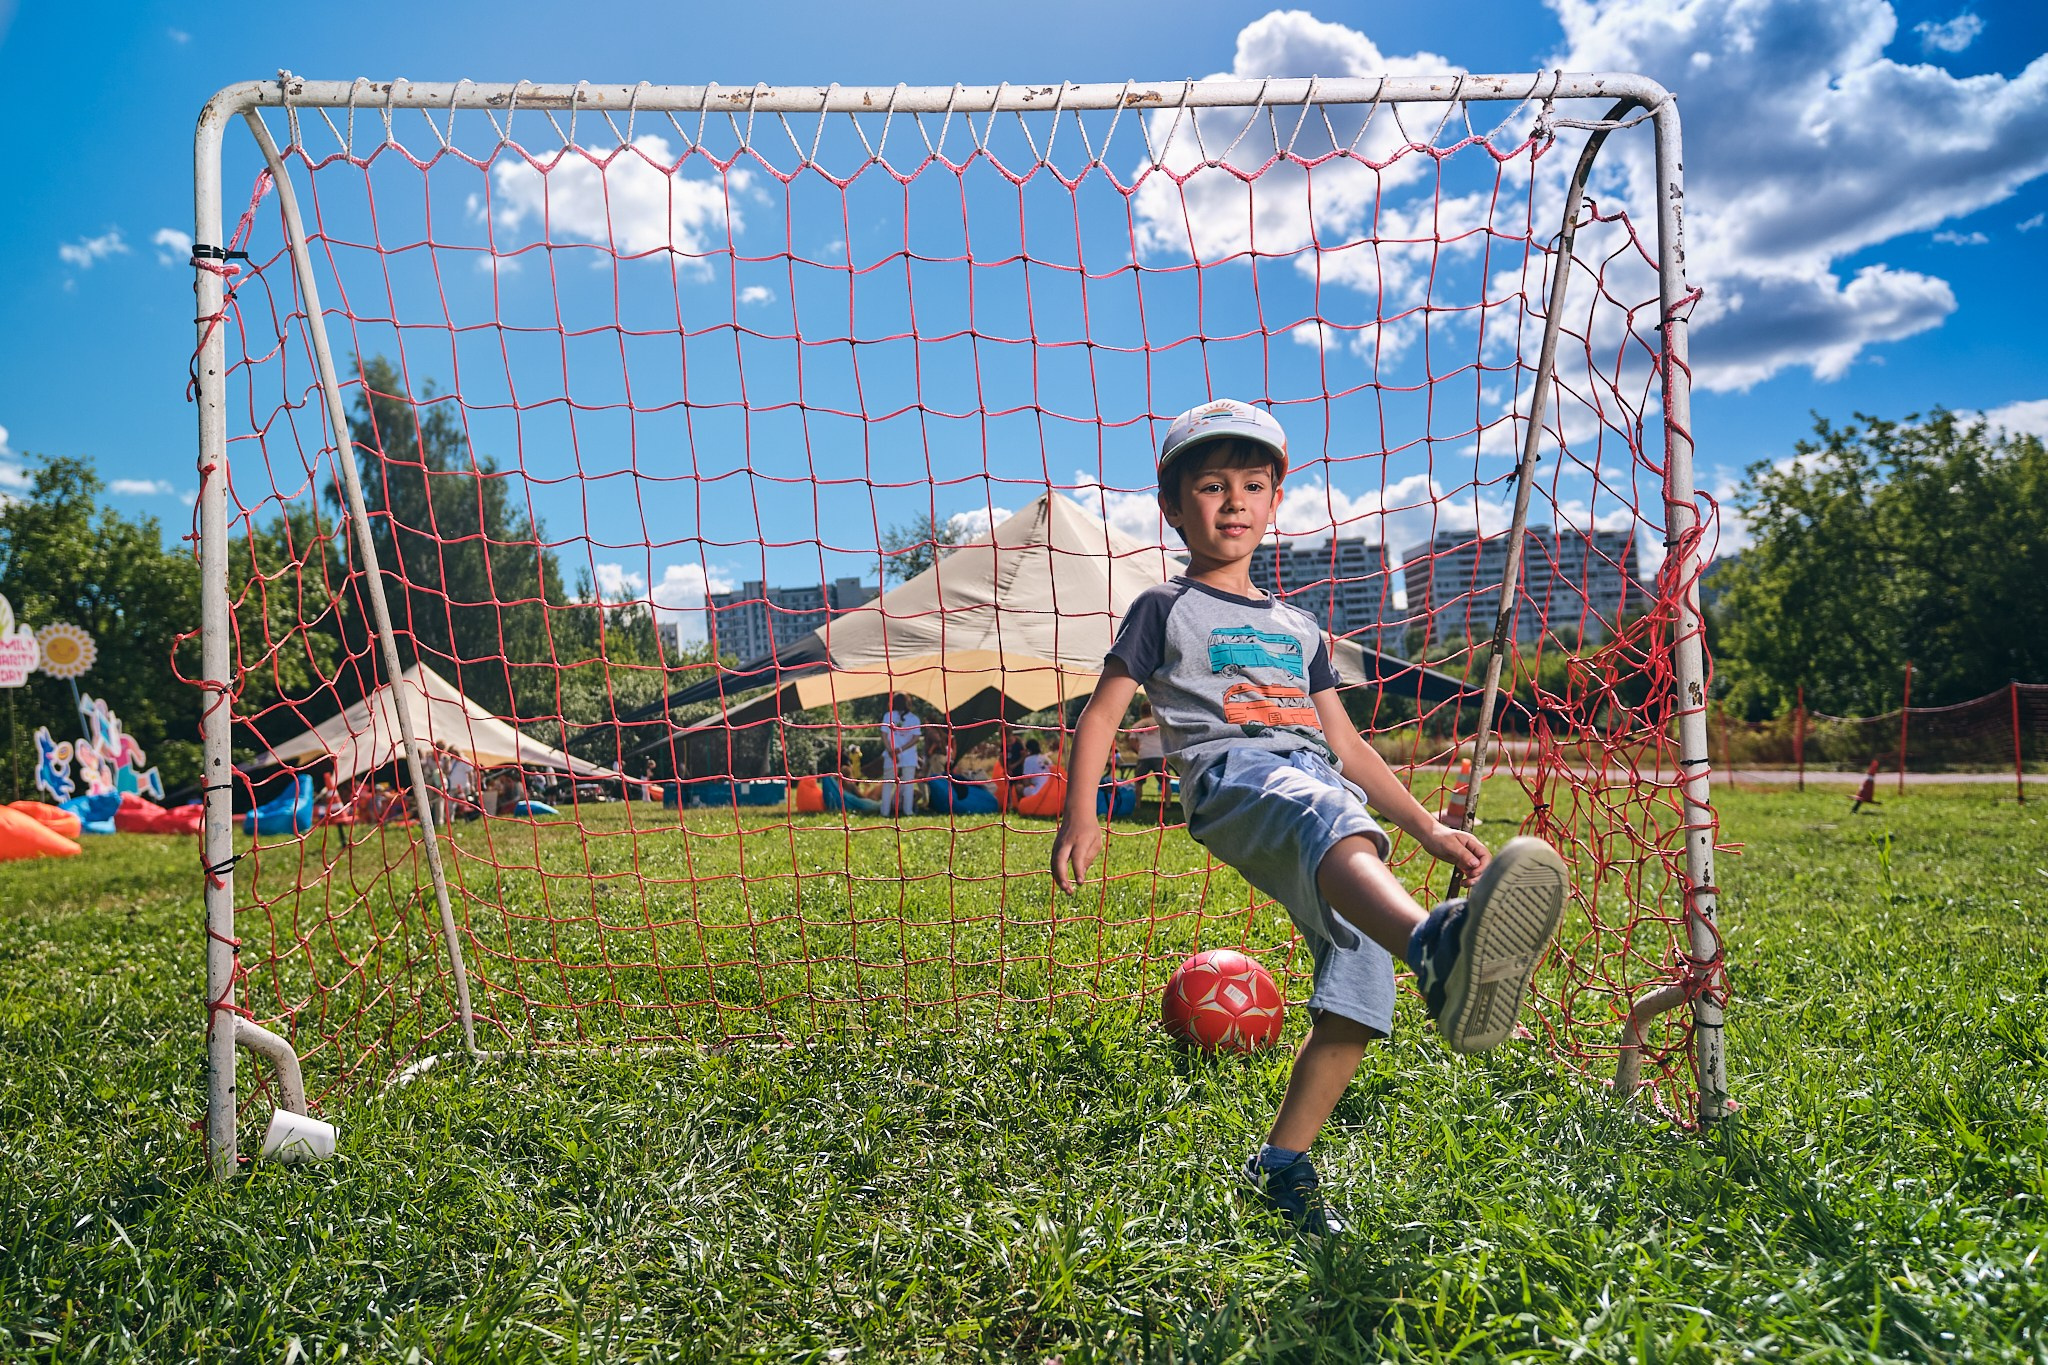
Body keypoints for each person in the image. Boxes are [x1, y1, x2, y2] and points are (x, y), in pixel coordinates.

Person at [1049, 397, 1569, 1237]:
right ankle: (1439, 945)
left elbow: (1350, 746)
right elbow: (1103, 713)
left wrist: (1429, 827)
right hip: (1235, 777)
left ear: (1274, 500)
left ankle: (1282, 1162)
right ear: (1173, 509)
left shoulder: (1299, 627)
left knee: (1359, 982)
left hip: (1318, 780)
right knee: (1323, 810)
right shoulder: (1163, 608)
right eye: (1211, 486)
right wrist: (1080, 812)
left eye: (1252, 484)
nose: (1233, 502)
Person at [880, 693, 924, 817]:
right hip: (908, 755)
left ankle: (885, 812)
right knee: (908, 784)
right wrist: (900, 750)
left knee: (887, 784)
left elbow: (884, 735)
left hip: (891, 754)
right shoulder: (914, 719)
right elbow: (916, 738)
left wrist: (891, 750)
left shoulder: (888, 716)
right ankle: (908, 811)